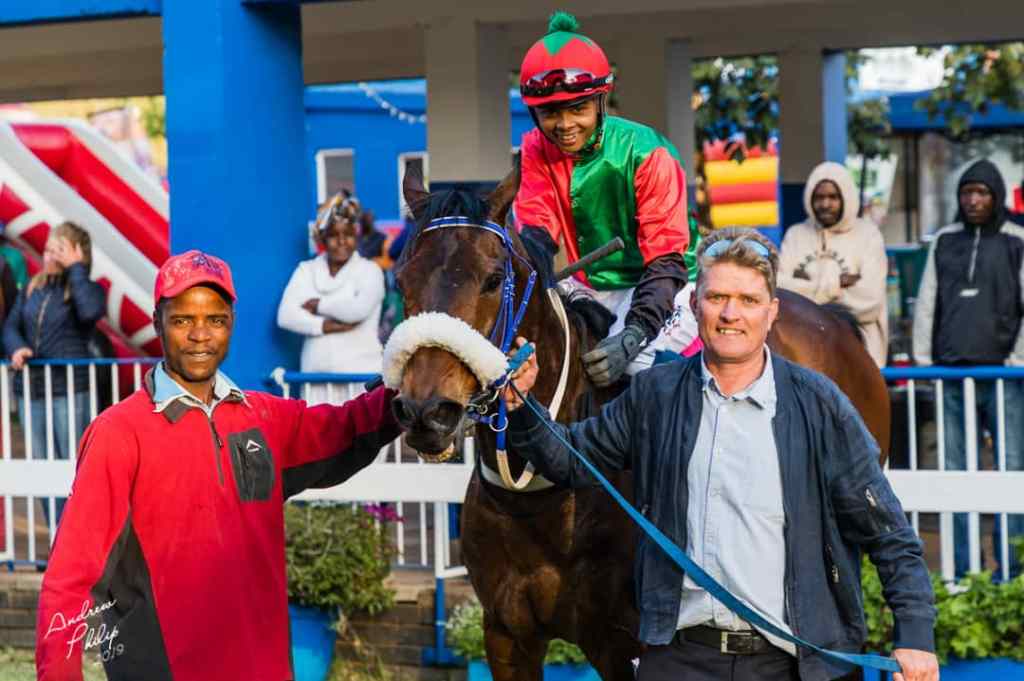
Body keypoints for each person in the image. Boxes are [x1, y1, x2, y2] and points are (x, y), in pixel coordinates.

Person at [501, 228, 938, 681]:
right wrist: (523, 408)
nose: (731, 314)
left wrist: (916, 635)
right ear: (695, 306)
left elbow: (888, 532)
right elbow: (571, 459)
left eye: (748, 300)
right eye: (717, 298)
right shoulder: (654, 396)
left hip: (798, 663)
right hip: (682, 659)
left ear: (771, 312)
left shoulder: (819, 403)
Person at [35, 249, 400, 681]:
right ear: (157, 323)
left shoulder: (266, 418)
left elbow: (352, 426)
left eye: (215, 319)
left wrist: (412, 385)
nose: (200, 335)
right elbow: (69, 580)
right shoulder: (118, 433)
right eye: (182, 320)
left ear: (231, 323)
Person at [512, 11, 701, 387]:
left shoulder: (648, 151)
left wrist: (633, 335)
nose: (565, 125)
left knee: (635, 366)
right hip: (589, 285)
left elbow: (666, 259)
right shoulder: (534, 148)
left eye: (578, 109)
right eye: (550, 113)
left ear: (601, 100)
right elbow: (537, 233)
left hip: (664, 283)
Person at [912, 159, 1024, 578]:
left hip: (1005, 378)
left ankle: (1010, 572)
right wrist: (925, 362)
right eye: (967, 193)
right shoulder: (945, 241)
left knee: (1010, 470)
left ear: (996, 196)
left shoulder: (1016, 240)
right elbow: (927, 301)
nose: (973, 200)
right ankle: (963, 571)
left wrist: (1016, 361)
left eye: (981, 193)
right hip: (951, 376)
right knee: (954, 472)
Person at [3, 222, 105, 528]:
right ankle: (56, 535)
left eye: (58, 249)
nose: (49, 255)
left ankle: (78, 535)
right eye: (48, 249)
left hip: (69, 390)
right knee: (41, 467)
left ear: (77, 254)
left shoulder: (86, 289)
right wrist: (17, 348)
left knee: (73, 466)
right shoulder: (32, 288)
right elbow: (10, 326)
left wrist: (76, 270)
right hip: (32, 392)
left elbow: (90, 312)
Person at [277, 192, 386, 402]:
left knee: (362, 424)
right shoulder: (306, 270)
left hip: (361, 379)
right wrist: (324, 326)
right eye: (334, 235)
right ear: (322, 239)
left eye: (349, 234)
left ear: (357, 236)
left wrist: (318, 305)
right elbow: (286, 316)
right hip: (315, 379)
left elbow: (358, 310)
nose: (342, 241)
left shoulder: (370, 270)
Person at [778, 162, 889, 367]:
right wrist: (837, 285)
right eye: (819, 197)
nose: (825, 204)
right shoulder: (795, 235)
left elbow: (870, 301)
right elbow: (781, 295)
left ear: (846, 197)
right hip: (805, 359)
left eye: (833, 197)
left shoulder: (868, 236)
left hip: (859, 360)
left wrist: (805, 293)